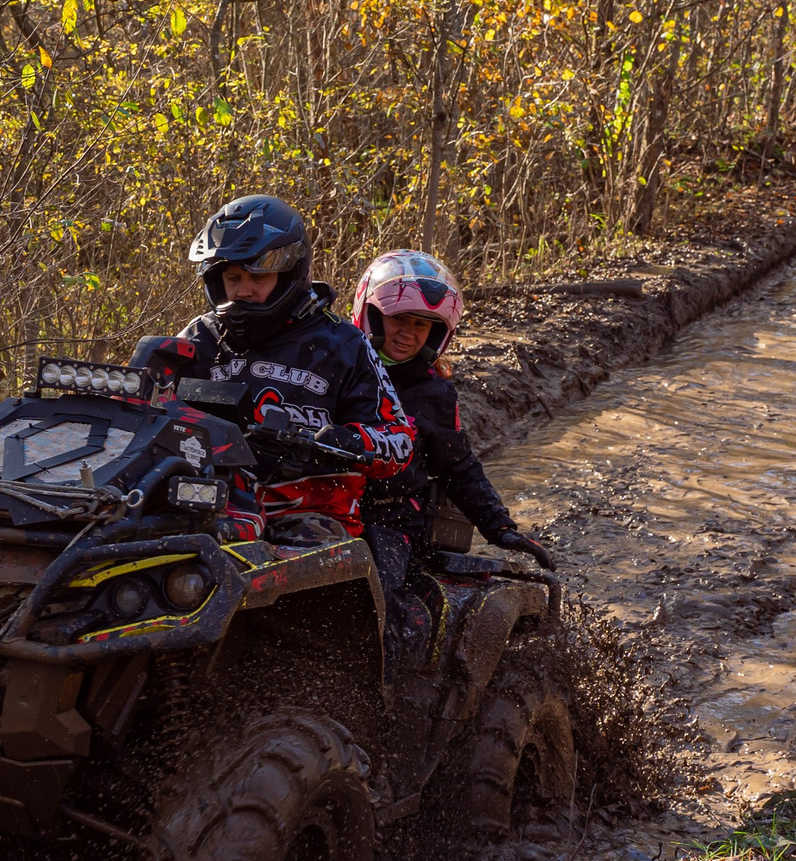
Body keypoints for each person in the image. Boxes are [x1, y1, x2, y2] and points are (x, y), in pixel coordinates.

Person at [141, 195, 415, 544]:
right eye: (233, 277)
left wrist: (337, 440)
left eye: (259, 276)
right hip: (206, 502)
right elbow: (137, 410)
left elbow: (400, 440)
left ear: (289, 273)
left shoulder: (343, 343)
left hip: (310, 514)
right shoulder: (199, 337)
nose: (244, 290)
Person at [350, 250, 555, 586]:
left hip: (390, 519)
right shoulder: (335, 365)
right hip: (317, 504)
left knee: (378, 594)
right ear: (372, 314)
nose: (408, 333)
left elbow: (457, 466)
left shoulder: (434, 394)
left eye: (421, 324)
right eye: (398, 319)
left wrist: (499, 527)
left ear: (436, 334)